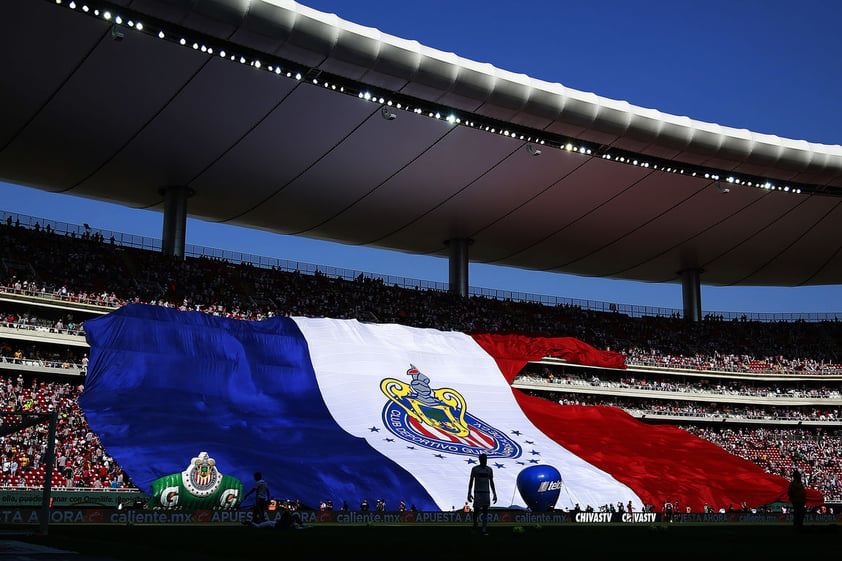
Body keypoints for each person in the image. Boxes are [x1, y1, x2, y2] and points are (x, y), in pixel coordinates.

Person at [467, 453, 497, 535]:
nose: (485, 461)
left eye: (486, 459)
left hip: (486, 493)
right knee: (476, 510)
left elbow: (491, 482)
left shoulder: (489, 469)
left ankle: (484, 528)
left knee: (485, 511)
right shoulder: (475, 469)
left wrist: (494, 493)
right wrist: (469, 493)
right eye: (483, 459)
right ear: (480, 460)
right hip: (477, 492)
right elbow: (471, 481)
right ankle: (475, 524)